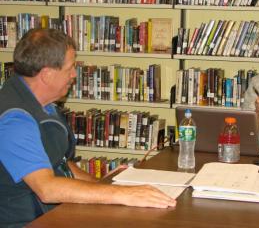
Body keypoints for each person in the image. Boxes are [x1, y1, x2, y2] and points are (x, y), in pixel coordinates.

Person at [0, 28, 176, 227]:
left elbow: (61, 164)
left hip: (52, 214)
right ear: (47, 75)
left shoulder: (43, 104)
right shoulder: (14, 121)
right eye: (70, 68)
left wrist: (103, 184)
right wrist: (123, 194)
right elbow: (47, 188)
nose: (74, 75)